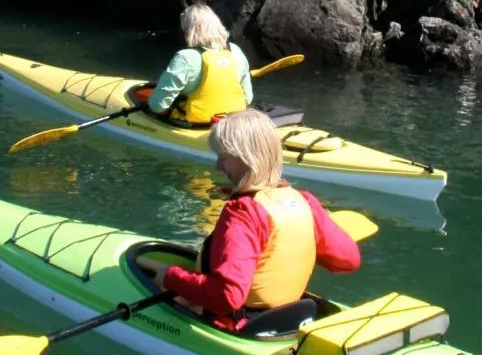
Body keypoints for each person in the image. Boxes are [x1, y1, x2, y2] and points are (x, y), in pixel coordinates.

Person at [139, 109, 361, 332]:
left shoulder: (243, 213)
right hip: (293, 317)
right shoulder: (304, 201)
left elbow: (227, 297)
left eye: (223, 158)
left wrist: (169, 276)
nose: (218, 167)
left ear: (247, 159)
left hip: (241, 325)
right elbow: (348, 260)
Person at [146, 5, 254, 125]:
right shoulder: (236, 51)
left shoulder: (185, 57)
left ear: (189, 30)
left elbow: (158, 106)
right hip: (233, 124)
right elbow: (247, 99)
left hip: (197, 125)